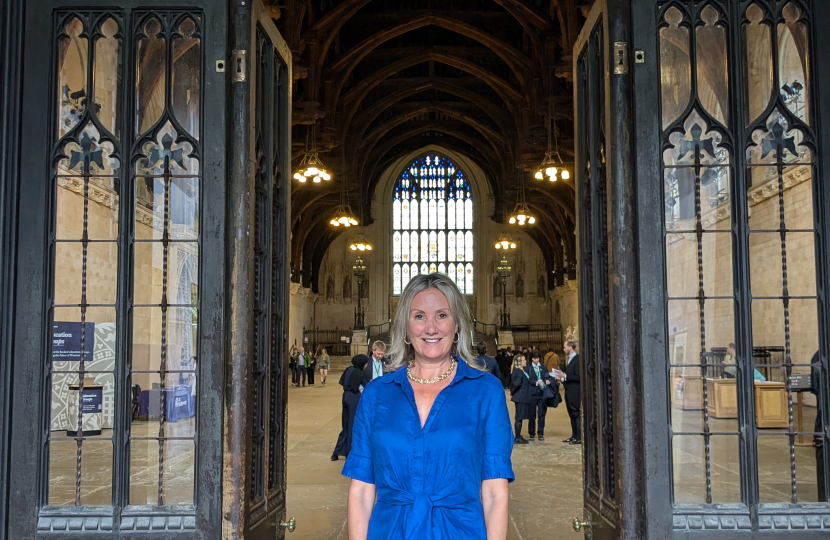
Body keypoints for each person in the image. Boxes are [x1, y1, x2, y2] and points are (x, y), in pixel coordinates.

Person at [344, 273, 513, 540]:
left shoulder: (486, 391)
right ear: (406, 327)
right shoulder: (377, 394)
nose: (431, 328)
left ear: (457, 325)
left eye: (442, 315)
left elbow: (494, 492)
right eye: (419, 316)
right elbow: (362, 490)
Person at [332, 354, 370, 461]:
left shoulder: (348, 369)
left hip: (345, 397)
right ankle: (349, 451)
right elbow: (366, 387)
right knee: (353, 425)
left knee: (346, 425)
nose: (367, 365)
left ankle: (337, 451)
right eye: (366, 363)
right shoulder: (359, 373)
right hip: (354, 398)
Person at [553, 340, 581, 445]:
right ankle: (574, 435)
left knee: (576, 413)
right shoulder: (570, 359)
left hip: (575, 392)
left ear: (570, 347)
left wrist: (565, 376)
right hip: (569, 390)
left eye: (565, 347)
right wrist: (562, 378)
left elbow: (579, 377)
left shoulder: (577, 359)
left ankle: (579, 437)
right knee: (571, 414)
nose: (564, 349)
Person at [525, 349, 553, 441]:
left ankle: (540, 433)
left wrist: (546, 381)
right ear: (531, 358)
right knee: (532, 415)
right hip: (532, 393)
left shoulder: (543, 367)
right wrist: (537, 382)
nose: (536, 360)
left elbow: (547, 376)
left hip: (542, 393)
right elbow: (528, 380)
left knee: (542, 415)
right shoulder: (528, 367)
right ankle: (531, 433)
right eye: (534, 358)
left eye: (537, 358)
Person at [509, 354, 531, 445]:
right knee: (519, 417)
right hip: (520, 396)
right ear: (519, 362)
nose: (525, 361)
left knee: (520, 417)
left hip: (521, 396)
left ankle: (518, 436)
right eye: (524, 360)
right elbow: (517, 383)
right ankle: (517, 437)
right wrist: (512, 392)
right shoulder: (518, 371)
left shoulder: (520, 370)